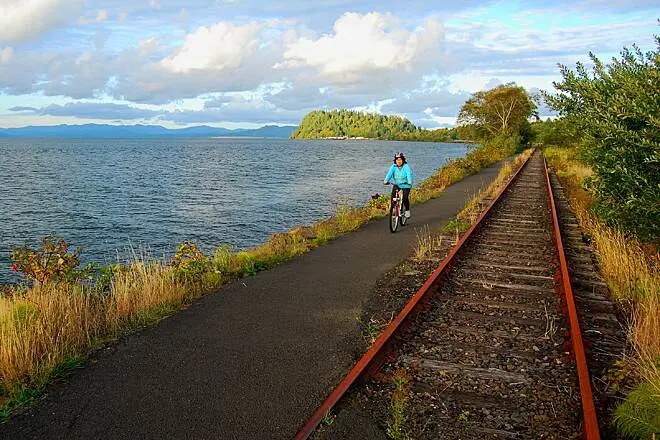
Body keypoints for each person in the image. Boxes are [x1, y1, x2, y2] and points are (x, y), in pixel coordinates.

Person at [383, 152, 413, 218]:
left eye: (400, 159)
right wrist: (385, 181)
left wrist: (409, 182)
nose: (398, 161)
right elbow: (389, 174)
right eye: (397, 160)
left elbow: (409, 174)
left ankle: (407, 211)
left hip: (406, 185)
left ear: (403, 160)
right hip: (397, 184)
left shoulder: (406, 167)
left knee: (405, 198)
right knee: (393, 197)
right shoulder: (393, 167)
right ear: (395, 160)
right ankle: (393, 209)